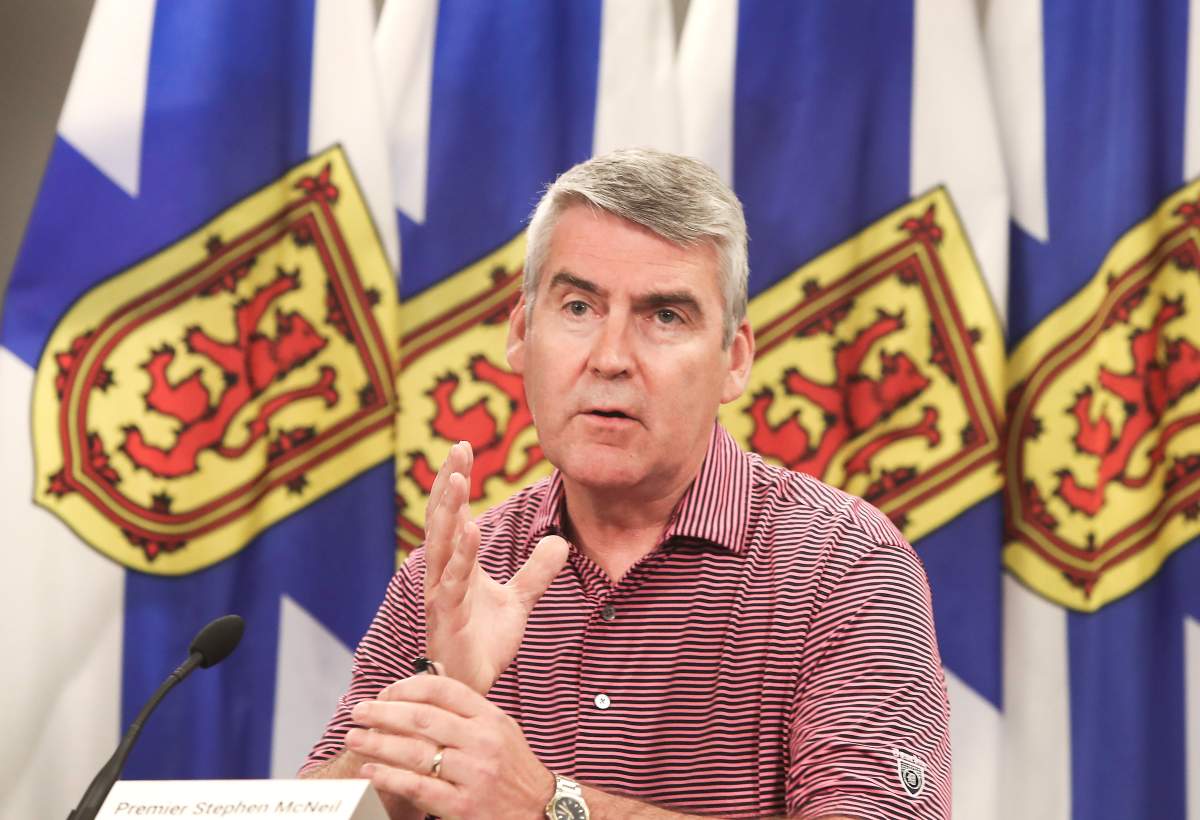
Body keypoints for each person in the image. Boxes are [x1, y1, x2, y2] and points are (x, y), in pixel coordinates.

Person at [301, 149, 951, 819]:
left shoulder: (845, 566)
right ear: (522, 335)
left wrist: (546, 805)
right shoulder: (457, 572)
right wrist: (428, 712)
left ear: (734, 360)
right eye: (578, 306)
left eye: (664, 316)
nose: (610, 358)